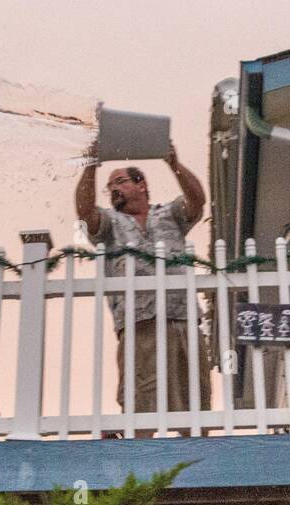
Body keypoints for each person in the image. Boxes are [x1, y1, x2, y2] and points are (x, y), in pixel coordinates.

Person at [75, 138, 211, 435]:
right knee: (140, 400)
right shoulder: (110, 223)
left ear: (142, 185)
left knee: (194, 396)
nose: (113, 189)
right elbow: (85, 213)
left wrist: (173, 164)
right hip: (138, 322)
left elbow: (198, 200)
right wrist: (90, 165)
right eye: (110, 186)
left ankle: (199, 462)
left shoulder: (170, 214)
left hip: (182, 316)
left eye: (120, 182)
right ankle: (141, 463)